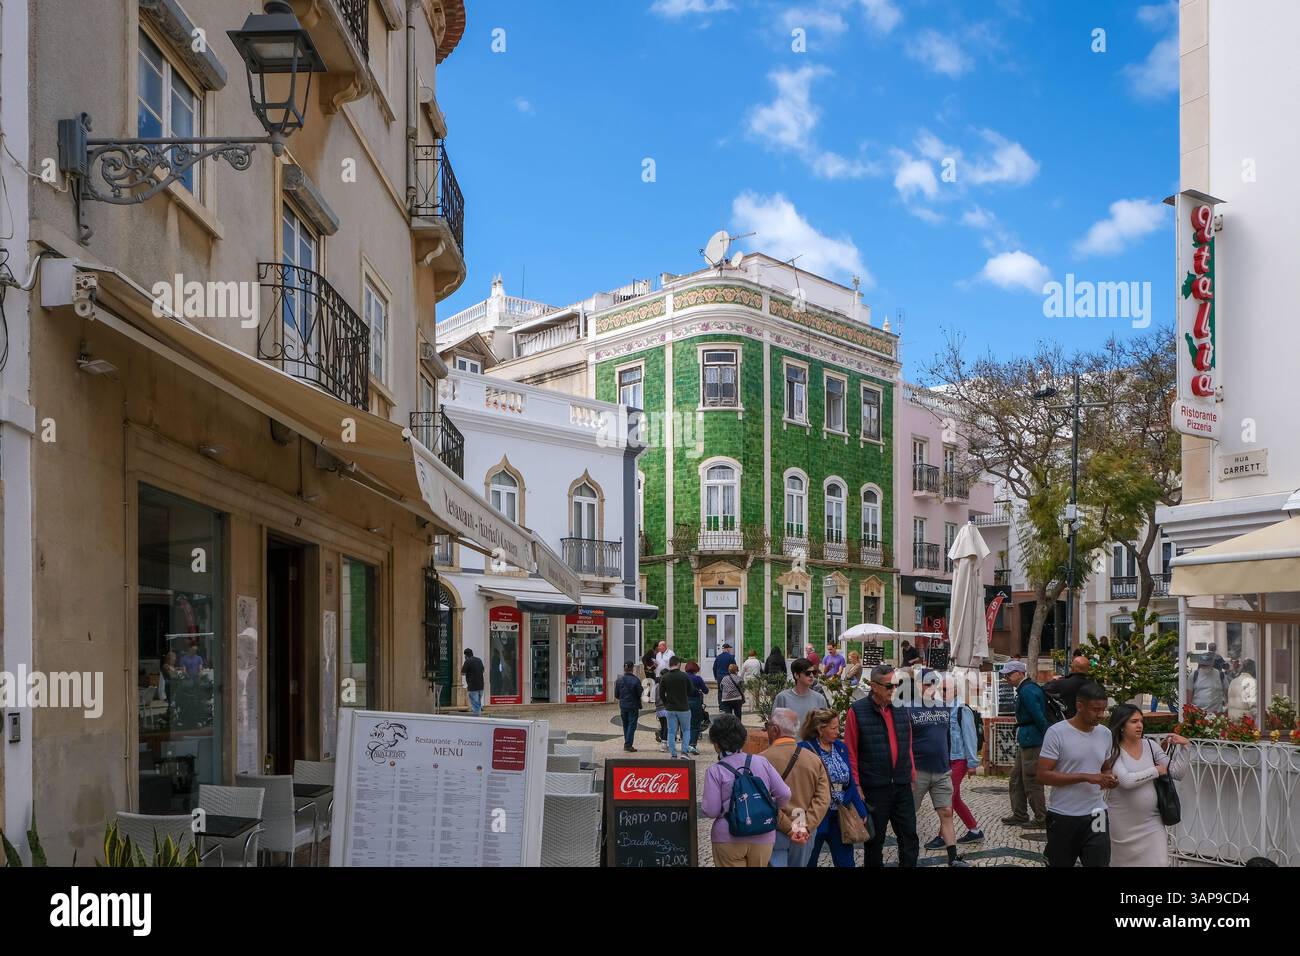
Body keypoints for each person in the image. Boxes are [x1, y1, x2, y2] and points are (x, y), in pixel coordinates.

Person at [846, 664, 920, 867]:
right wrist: (857, 785)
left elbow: (908, 743)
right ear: (874, 686)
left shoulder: (901, 708)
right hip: (875, 786)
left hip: (902, 784)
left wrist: (911, 773)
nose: (893, 690)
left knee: (909, 835)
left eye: (896, 685)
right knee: (875, 840)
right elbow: (850, 751)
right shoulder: (857, 710)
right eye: (889, 686)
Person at [1038, 681, 1118, 867]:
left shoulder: (1105, 734)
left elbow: (1105, 767)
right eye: (1096, 710)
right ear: (1080, 706)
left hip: (1097, 813)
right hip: (1063, 816)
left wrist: (1109, 778)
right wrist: (1087, 777)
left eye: (1103, 709)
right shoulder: (1057, 733)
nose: (1101, 715)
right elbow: (1043, 775)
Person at [1103, 704, 1191, 866]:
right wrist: (1156, 771)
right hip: (1123, 824)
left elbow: (1176, 772)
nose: (1140, 725)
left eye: (1141, 721)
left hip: (1152, 821)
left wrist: (1185, 747)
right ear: (1121, 725)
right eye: (1134, 721)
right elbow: (1126, 781)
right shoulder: (1113, 750)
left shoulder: (1151, 745)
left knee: (1160, 862)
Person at [701, 714, 791, 867]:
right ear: (743, 739)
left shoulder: (715, 771)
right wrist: (771, 805)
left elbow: (711, 811)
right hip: (763, 833)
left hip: (728, 837)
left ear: (716, 745)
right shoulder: (762, 762)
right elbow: (785, 794)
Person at [910, 670, 969, 866]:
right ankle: (908, 853)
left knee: (946, 812)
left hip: (942, 771)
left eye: (933, 683)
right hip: (918, 771)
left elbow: (947, 739)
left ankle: (953, 858)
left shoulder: (944, 708)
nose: (930, 687)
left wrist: (950, 763)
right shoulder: (908, 709)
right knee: (909, 813)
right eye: (926, 683)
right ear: (918, 685)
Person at [799, 708, 870, 867]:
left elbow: (850, 781)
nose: (838, 732)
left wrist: (860, 808)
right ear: (820, 729)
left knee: (846, 862)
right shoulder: (804, 748)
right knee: (809, 860)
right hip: (816, 816)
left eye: (839, 727)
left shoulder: (840, 747)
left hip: (841, 814)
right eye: (833, 728)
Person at [764, 708, 829, 867]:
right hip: (804, 832)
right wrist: (805, 826)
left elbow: (763, 800)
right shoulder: (814, 760)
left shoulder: (761, 760)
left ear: (775, 730)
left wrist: (789, 828)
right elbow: (823, 799)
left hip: (774, 830)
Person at [999, 660, 1049, 828]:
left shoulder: (1027, 691)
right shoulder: (1026, 689)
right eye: (1005, 675)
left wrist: (1048, 740)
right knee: (1016, 778)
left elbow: (1039, 717)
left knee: (1031, 779)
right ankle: (1020, 814)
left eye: (1009, 674)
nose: (1006, 678)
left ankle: (1041, 818)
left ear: (1020, 673)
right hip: (1027, 739)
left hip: (1032, 740)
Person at [944, 674, 985, 846]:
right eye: (941, 689)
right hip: (947, 759)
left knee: (948, 797)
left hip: (959, 759)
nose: (942, 692)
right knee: (955, 798)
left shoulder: (962, 710)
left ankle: (942, 836)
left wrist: (972, 763)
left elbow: (970, 737)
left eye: (946, 689)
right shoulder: (943, 709)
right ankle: (974, 831)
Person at [773, 658, 830, 728]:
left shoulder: (820, 699)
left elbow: (825, 726)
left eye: (814, 672)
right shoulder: (782, 697)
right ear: (796, 675)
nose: (811, 676)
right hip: (789, 739)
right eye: (807, 673)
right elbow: (774, 727)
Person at [659, 657, 693, 759]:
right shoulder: (684, 676)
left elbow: (661, 694)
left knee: (671, 731)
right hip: (683, 708)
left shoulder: (665, 677)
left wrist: (666, 703)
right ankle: (684, 752)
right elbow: (691, 691)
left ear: (670, 664)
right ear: (679, 664)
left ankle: (673, 754)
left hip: (670, 708)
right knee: (686, 730)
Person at [613, 661, 642, 752]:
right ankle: (628, 744)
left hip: (623, 705)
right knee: (632, 725)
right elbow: (640, 693)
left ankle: (627, 743)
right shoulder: (636, 680)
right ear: (632, 668)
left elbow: (617, 695)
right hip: (633, 706)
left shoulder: (619, 680)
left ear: (624, 668)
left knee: (625, 724)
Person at [684, 661, 708, 755]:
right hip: (695, 703)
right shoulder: (698, 679)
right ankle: (692, 744)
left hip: (683, 703)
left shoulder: (683, 678)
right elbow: (706, 690)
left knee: (685, 725)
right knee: (694, 724)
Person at [712, 642, 736, 712]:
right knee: (728, 691)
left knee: (720, 691)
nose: (730, 650)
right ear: (727, 648)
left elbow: (714, 668)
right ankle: (727, 707)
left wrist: (715, 677)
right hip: (727, 676)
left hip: (719, 676)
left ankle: (721, 707)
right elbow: (734, 667)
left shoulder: (718, 657)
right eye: (729, 648)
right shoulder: (731, 657)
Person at [461, 648, 485, 716]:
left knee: (475, 706)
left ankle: (477, 721)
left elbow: (462, 673)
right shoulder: (479, 660)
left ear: (465, 655)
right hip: (481, 686)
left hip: (473, 687)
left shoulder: (467, 661)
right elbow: (483, 670)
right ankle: (479, 718)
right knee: (478, 704)